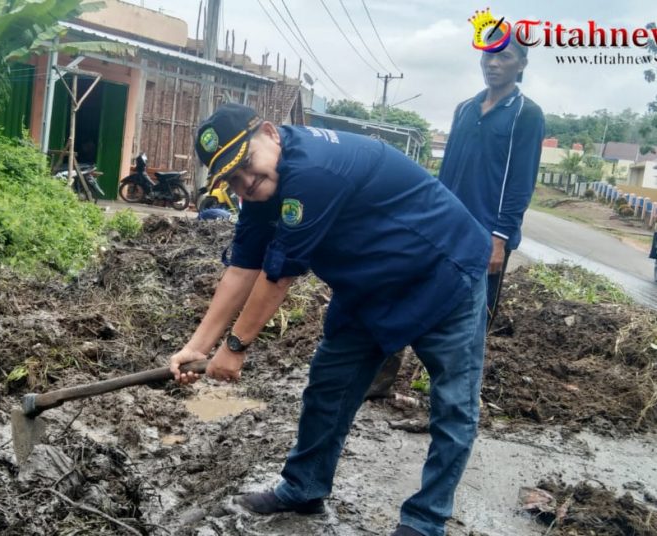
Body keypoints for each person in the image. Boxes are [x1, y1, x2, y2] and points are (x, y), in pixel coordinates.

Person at [169, 102, 491, 536]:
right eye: (232, 178)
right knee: (329, 386)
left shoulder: (313, 171)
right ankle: (304, 487)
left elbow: (277, 275)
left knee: (453, 405)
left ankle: (425, 520)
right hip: (368, 287)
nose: (245, 183)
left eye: (246, 164)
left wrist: (235, 348)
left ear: (270, 132)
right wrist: (198, 347)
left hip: (440, 272)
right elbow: (243, 267)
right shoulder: (263, 187)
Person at [438, 35, 545, 329]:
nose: (493, 63)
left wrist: (500, 239)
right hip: (448, 227)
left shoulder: (526, 113)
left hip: (487, 235)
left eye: (504, 57)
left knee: (473, 322)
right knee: (434, 307)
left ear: (521, 64)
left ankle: (467, 374)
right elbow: (446, 170)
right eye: (488, 56)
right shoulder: (464, 108)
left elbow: (522, 182)